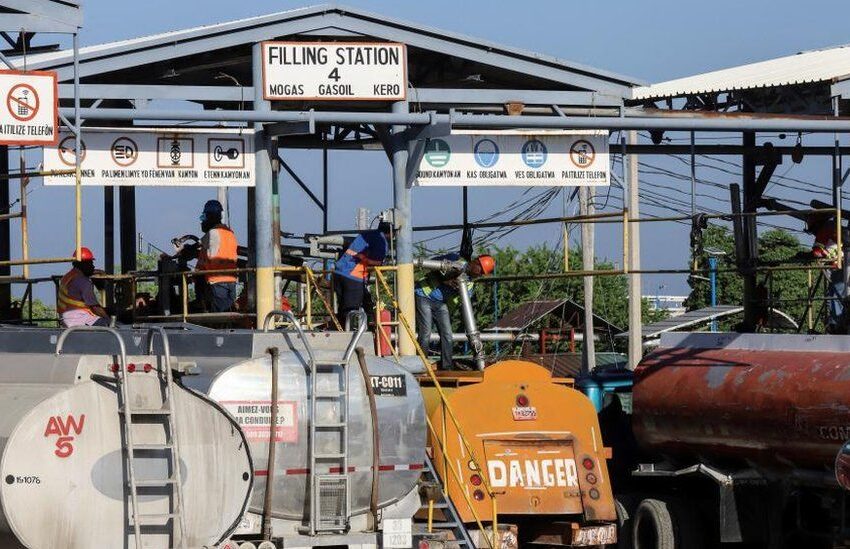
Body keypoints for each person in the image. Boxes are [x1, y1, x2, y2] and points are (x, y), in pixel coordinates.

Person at [415, 254, 494, 370]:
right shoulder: (455, 259)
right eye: (480, 270)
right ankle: (421, 365)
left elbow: (462, 304)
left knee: (447, 335)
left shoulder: (469, 284)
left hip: (440, 302)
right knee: (426, 332)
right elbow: (430, 264)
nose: (479, 274)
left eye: (482, 273)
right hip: (424, 295)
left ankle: (446, 367)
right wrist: (445, 279)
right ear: (475, 262)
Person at [332, 222, 392, 325]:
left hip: (339, 272)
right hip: (353, 276)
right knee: (350, 310)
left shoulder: (367, 234)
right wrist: (383, 264)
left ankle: (340, 329)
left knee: (343, 307)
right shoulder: (381, 241)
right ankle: (347, 336)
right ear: (391, 232)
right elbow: (373, 262)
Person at [800, 212, 844, 331]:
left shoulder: (825, 230)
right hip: (842, 266)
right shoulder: (835, 228)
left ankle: (836, 325)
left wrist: (804, 256)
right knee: (836, 294)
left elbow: (817, 252)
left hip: (840, 268)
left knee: (835, 294)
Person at [196, 199, 238, 312]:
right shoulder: (230, 233)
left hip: (217, 281)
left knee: (217, 317)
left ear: (209, 217)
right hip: (231, 280)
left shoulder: (212, 233)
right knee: (227, 314)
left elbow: (198, 248)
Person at [57, 246, 111, 327]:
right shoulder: (83, 282)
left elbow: (85, 273)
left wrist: (97, 272)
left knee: (108, 310)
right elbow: (95, 308)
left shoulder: (68, 276)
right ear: (83, 264)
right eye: (90, 263)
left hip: (66, 318)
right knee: (115, 324)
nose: (93, 266)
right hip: (79, 320)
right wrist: (109, 319)